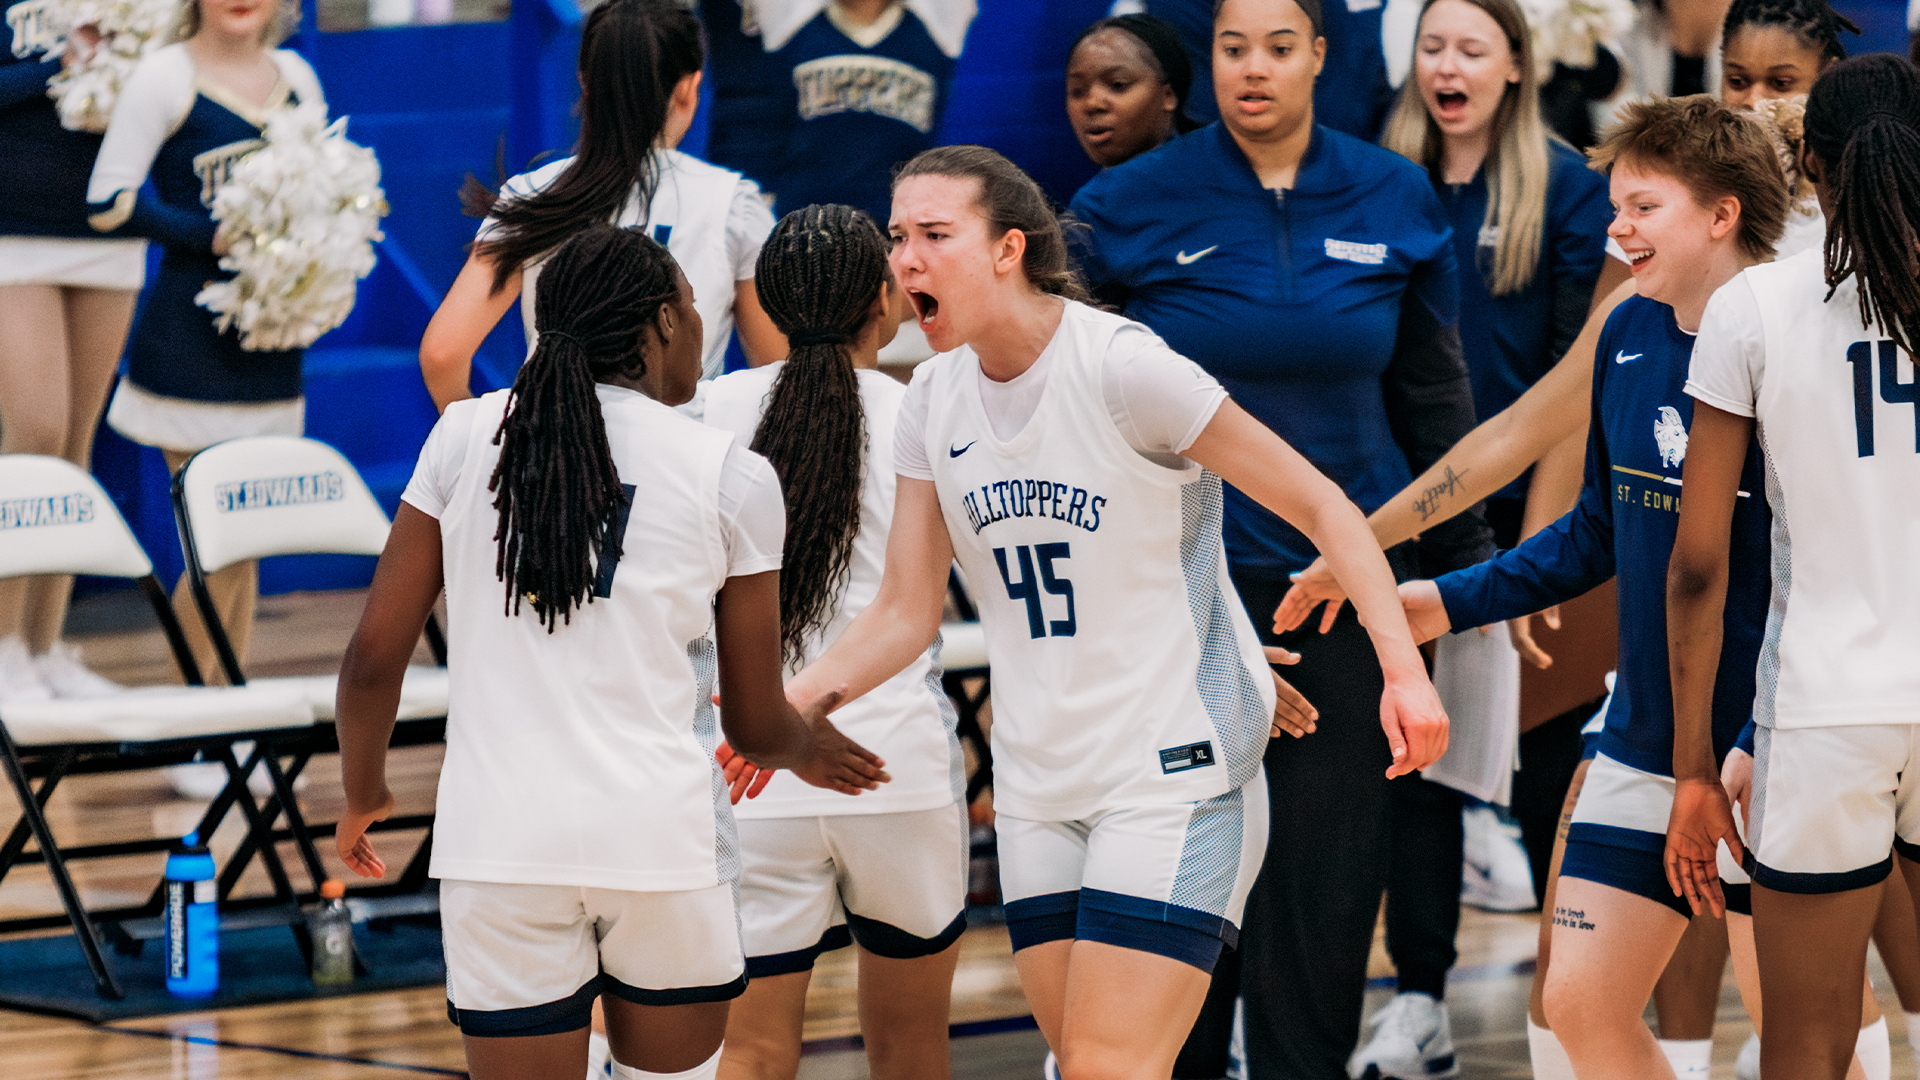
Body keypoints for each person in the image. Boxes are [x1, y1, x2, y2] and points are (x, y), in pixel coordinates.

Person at [774, 143, 1447, 1080]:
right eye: (897, 238)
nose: (904, 262)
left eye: (934, 235)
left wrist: (1404, 676)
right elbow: (902, 610)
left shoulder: (1127, 369)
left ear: (1009, 248)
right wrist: (789, 702)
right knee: (1089, 1061)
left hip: (1172, 775)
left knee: (1104, 1066)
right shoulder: (932, 396)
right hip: (1040, 787)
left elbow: (1325, 506)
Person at [1401, 93, 1894, 1080]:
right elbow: (1598, 531)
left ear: (1719, 216)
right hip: (1647, 737)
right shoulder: (1627, 336)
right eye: (1614, 207)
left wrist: (1753, 738)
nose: (1616, 229)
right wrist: (1448, 600)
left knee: (1812, 1032)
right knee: (1581, 1003)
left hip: (1774, 747)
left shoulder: (1793, 343)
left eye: (1642, 207)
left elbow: (1836, 559)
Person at [333, 225, 888, 1080]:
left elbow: (374, 659)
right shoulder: (729, 474)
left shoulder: (463, 436)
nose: (702, 329)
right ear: (663, 323)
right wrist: (807, 746)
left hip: (499, 842)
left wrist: (364, 792)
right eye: (696, 309)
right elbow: (753, 719)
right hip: (662, 843)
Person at [1069, 0, 1490, 1075]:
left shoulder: (1393, 192)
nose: (1251, 70)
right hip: (1183, 599)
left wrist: (1472, 577)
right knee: (1186, 880)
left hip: (1352, 593)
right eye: (1230, 48)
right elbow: (1080, 412)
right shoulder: (1124, 205)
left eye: (1277, 48)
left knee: (1329, 881)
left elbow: (1434, 398)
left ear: (1319, 57)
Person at [1338, 0, 1610, 1072]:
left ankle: (1570, 1003)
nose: (1447, 65)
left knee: (1546, 764)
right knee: (1420, 761)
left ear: (1514, 68)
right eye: (1434, 46)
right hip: (1400, 514)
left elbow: (1570, 392)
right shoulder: (1373, 177)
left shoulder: (1567, 187)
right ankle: (1417, 1003)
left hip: (1529, 523)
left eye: (1472, 48)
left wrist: (1528, 559)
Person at [1664, 52, 1920, 1080]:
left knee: (1805, 1045)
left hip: (1824, 708)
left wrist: (1692, 764)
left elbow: (1696, 566)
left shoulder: (1753, 308)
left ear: (1806, 163)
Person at [685, 204, 966, 1080]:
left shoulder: (708, 409)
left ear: (762, 300)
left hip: (750, 764)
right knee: (911, 1053)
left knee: (754, 1052)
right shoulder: (930, 406)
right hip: (898, 766)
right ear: (883, 303)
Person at [84, 0, 326, 685]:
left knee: (245, 543)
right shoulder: (166, 76)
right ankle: (199, 718)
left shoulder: (299, 78)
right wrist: (206, 234)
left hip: (274, 338)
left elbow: (327, 192)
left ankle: (227, 710)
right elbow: (108, 200)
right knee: (213, 543)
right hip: (189, 341)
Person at [419, 0, 784, 408]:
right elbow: (775, 376)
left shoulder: (532, 194)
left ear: (585, 84)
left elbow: (442, 355)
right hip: (686, 464)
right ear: (687, 89)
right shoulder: (734, 203)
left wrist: (488, 447)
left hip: (554, 461)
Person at [0, 0, 146, 701]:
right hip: (10, 223)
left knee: (77, 442)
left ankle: (45, 645)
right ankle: (2, 651)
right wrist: (54, 64)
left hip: (105, 223)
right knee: (33, 432)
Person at [1066, 13, 1203, 169]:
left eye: (1118, 85)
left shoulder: (1217, 181)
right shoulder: (1099, 192)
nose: (1092, 104)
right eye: (1077, 91)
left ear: (1168, 96)